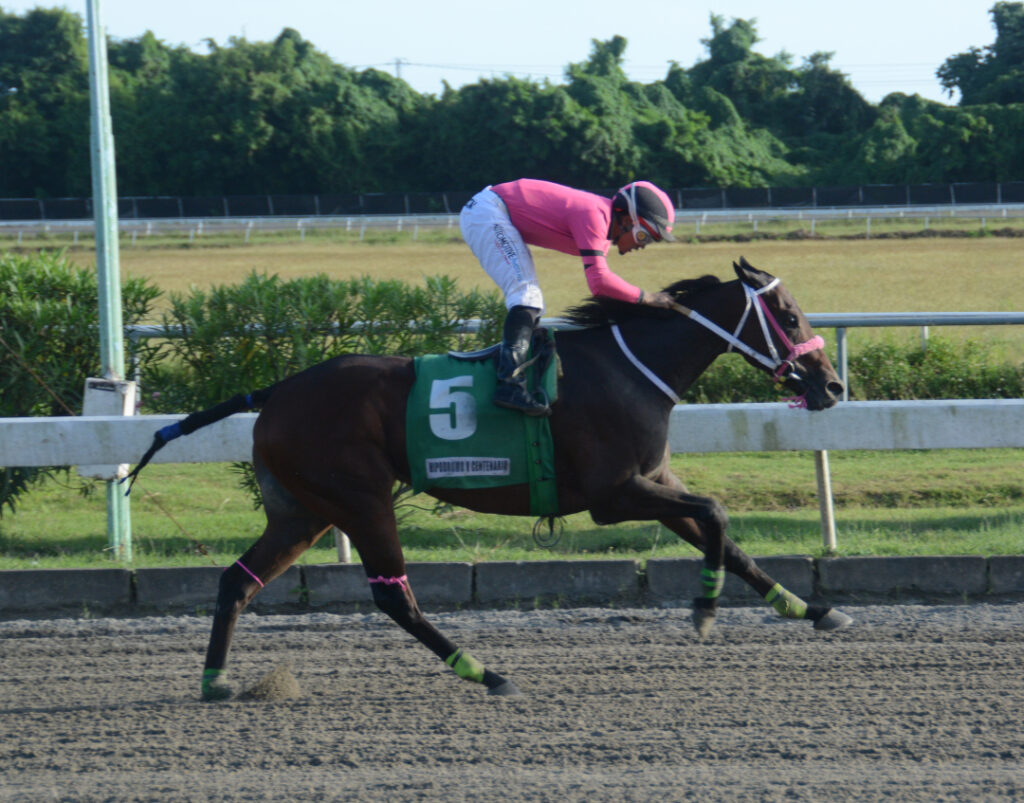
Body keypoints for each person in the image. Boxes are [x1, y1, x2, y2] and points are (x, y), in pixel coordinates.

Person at [459, 178, 677, 416]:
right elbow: (600, 282)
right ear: (626, 220)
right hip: (488, 212)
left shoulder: (601, 232)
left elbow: (605, 287)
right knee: (526, 296)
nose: (643, 246)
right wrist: (648, 298)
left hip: (492, 210)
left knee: (532, 302)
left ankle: (520, 375)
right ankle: (508, 385)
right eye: (645, 237)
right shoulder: (595, 216)